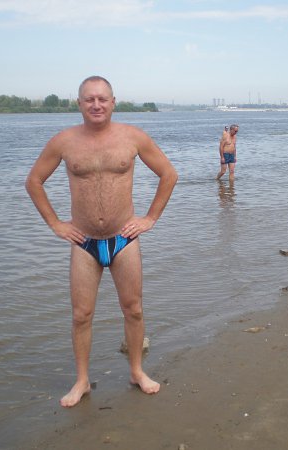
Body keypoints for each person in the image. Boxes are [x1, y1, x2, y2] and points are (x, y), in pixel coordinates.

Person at [25, 76, 178, 407]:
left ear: (113, 102)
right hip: (84, 242)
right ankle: (82, 381)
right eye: (89, 99)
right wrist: (55, 224)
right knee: (81, 315)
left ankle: (137, 371)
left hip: (124, 238)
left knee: (133, 309)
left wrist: (150, 218)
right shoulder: (63, 142)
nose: (96, 105)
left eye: (102, 99)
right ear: (79, 103)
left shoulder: (133, 137)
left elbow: (169, 174)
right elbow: (34, 181)